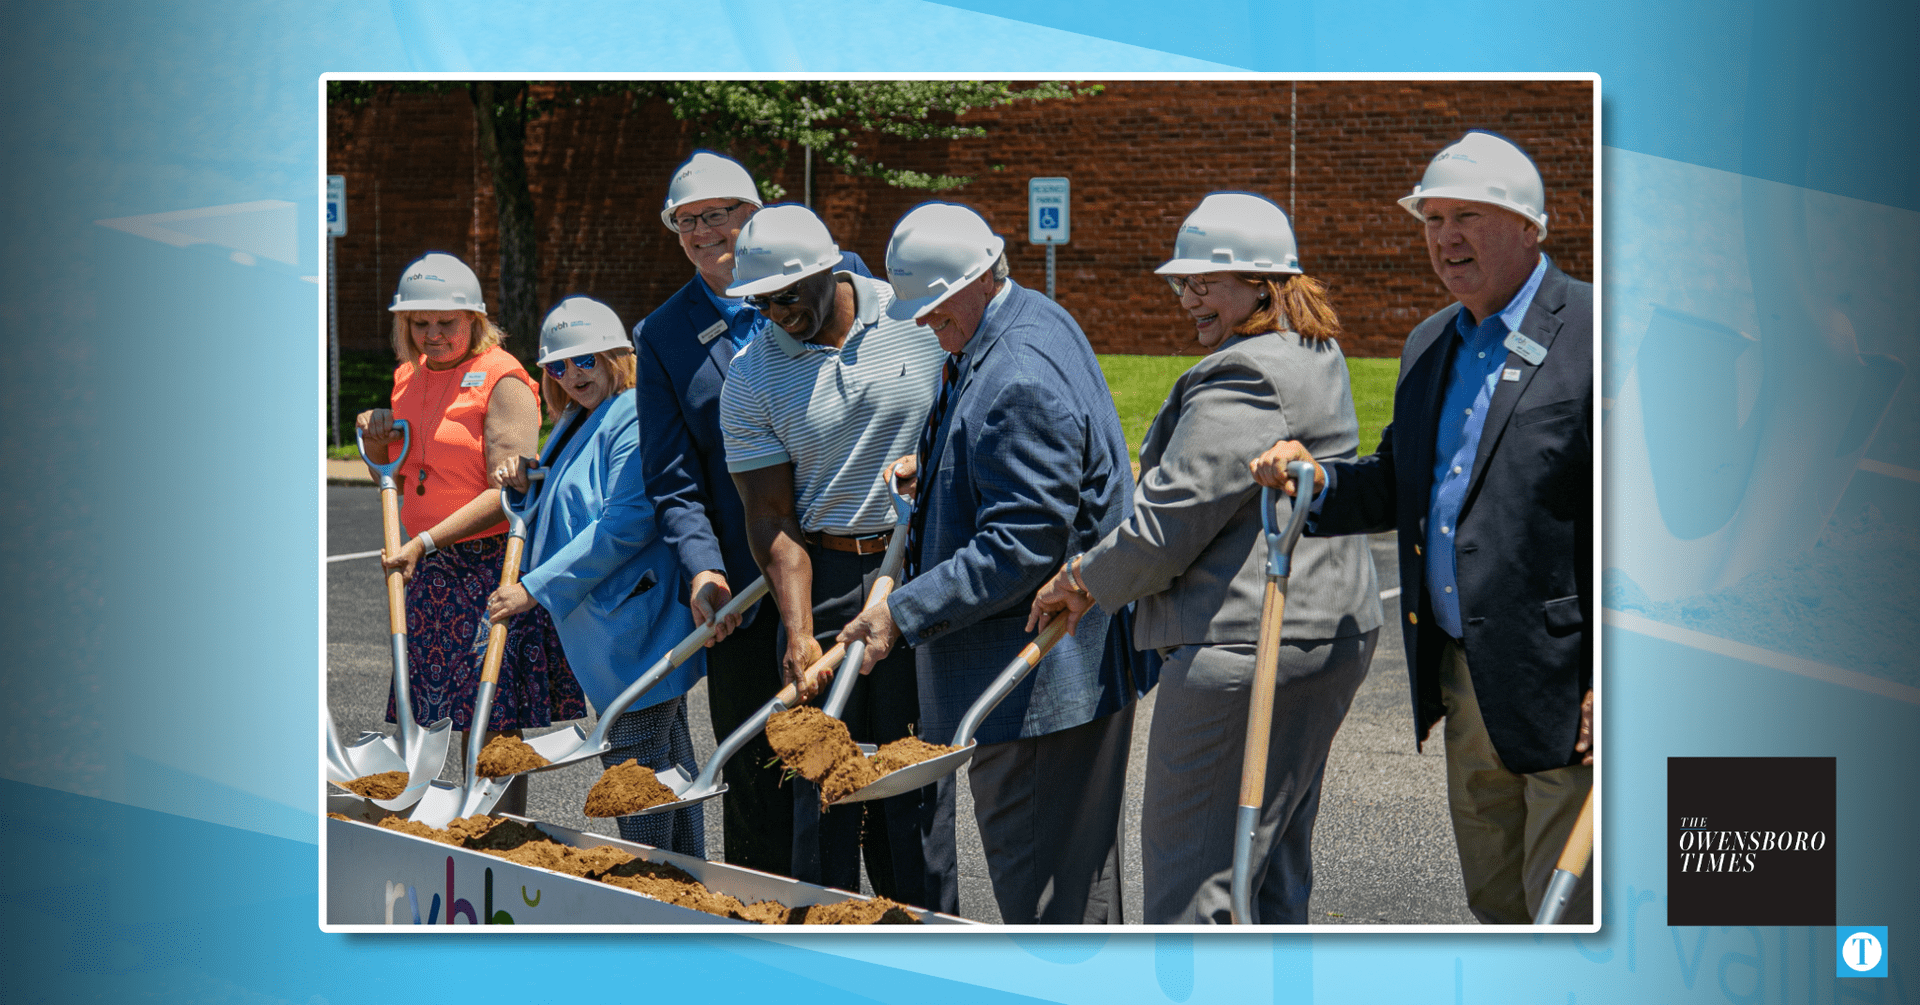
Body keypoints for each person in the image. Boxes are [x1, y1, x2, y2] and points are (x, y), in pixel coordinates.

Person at [1250, 130, 1594, 925]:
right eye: (1433, 218)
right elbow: (1401, 487)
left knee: (1565, 914)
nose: (1445, 238)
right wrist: (1317, 482)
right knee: (1498, 904)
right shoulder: (1431, 342)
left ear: (1529, 226)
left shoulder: (1593, 332)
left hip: (1569, 686)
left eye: (1467, 216)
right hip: (1466, 680)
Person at [1027, 192, 1381, 924]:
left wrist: (1081, 581)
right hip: (1325, 635)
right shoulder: (1316, 352)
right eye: (1180, 282)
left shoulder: (1242, 374)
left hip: (1243, 648)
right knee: (1270, 871)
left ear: (1262, 282)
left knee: (1192, 888)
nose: (1187, 298)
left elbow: (1167, 526)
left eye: (1203, 282)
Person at [838, 202, 1142, 924]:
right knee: (1078, 890)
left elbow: (1023, 544)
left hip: (1037, 693)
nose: (921, 324)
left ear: (980, 278)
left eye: (934, 309)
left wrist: (898, 614)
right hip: (1054, 683)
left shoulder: (1016, 374)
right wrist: (940, 471)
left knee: (1049, 902)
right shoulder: (1024, 316)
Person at [631, 151, 870, 874]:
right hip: (741, 591)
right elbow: (672, 479)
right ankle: (763, 925)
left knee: (850, 762)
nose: (703, 232)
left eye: (718, 215)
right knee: (759, 775)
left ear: (754, 214)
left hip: (842, 570)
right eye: (686, 222)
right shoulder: (664, 335)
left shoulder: (837, 275)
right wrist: (703, 569)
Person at [718, 204, 956, 911]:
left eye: (786, 295)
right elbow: (771, 516)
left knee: (911, 781)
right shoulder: (751, 375)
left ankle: (924, 937)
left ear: (830, 270)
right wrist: (797, 629)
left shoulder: (912, 317)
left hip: (919, 571)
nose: (773, 312)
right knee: (823, 783)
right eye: (758, 300)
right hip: (825, 578)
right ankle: (826, 942)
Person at [355, 251, 581, 818]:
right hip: (427, 573)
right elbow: (399, 473)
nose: (432, 336)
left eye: (446, 323)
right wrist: (377, 440)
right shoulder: (407, 377)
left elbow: (508, 491)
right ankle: (436, 824)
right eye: (419, 324)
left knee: (492, 719)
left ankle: (498, 834)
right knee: (432, 714)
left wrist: (426, 541)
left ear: (474, 321)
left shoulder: (503, 379)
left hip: (489, 567)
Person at [483, 296, 704, 855]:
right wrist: (530, 476)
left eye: (586, 361)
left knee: (632, 769)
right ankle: (685, 877)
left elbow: (626, 521)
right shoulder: (578, 419)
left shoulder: (631, 412)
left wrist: (533, 587)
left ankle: (653, 883)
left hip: (636, 623)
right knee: (667, 758)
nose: (573, 376)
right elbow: (571, 487)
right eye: (558, 366)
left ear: (614, 357)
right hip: (611, 624)